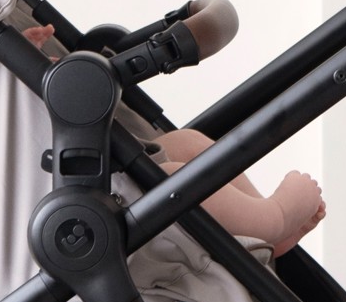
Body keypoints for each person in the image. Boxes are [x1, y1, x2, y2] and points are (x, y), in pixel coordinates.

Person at [21, 23, 325, 254]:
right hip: (71, 210)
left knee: (186, 143)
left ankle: (258, 232)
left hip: (88, 171)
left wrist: (24, 60)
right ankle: (274, 218)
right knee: (168, 182)